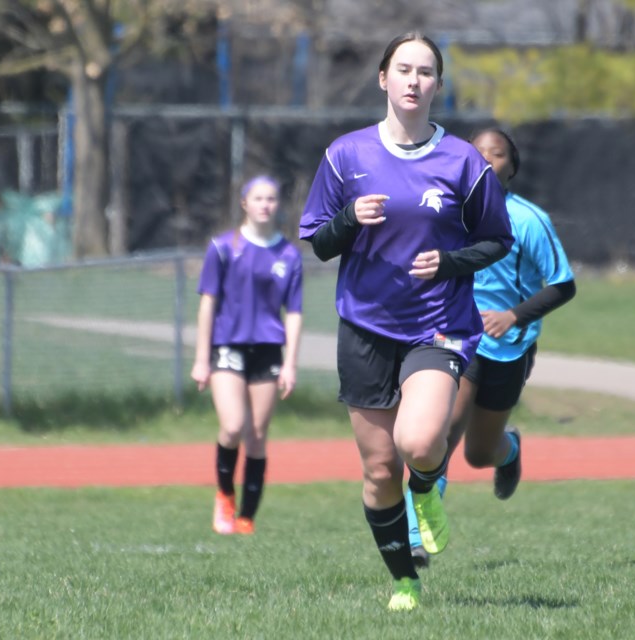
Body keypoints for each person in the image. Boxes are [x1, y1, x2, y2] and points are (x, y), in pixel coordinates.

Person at [299, 33, 513, 611]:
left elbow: (497, 239)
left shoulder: (464, 160)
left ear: (437, 86)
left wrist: (449, 261)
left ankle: (427, 488)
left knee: (418, 443)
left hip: (437, 324)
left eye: (425, 72)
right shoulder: (346, 155)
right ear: (383, 79)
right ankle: (404, 580)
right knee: (377, 469)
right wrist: (348, 219)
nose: (414, 81)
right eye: (404, 70)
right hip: (366, 326)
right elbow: (319, 243)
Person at [407, 127, 577, 568]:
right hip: (457, 338)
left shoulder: (527, 220)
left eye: (497, 154)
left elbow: (563, 285)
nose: (485, 159)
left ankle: (511, 450)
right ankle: (415, 537)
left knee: (479, 454)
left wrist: (513, 316)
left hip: (509, 346)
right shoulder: (448, 214)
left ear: (511, 167)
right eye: (477, 152)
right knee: (442, 430)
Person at [192, 175, 303, 536]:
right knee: (233, 426)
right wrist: (200, 357)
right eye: (258, 198)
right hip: (228, 345)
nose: (265, 205)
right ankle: (224, 493)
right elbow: (208, 302)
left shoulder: (288, 254)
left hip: (268, 349)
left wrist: (290, 363)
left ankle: (247, 517)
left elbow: (295, 313)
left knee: (257, 435)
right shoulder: (223, 247)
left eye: (271, 198)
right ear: (245, 203)